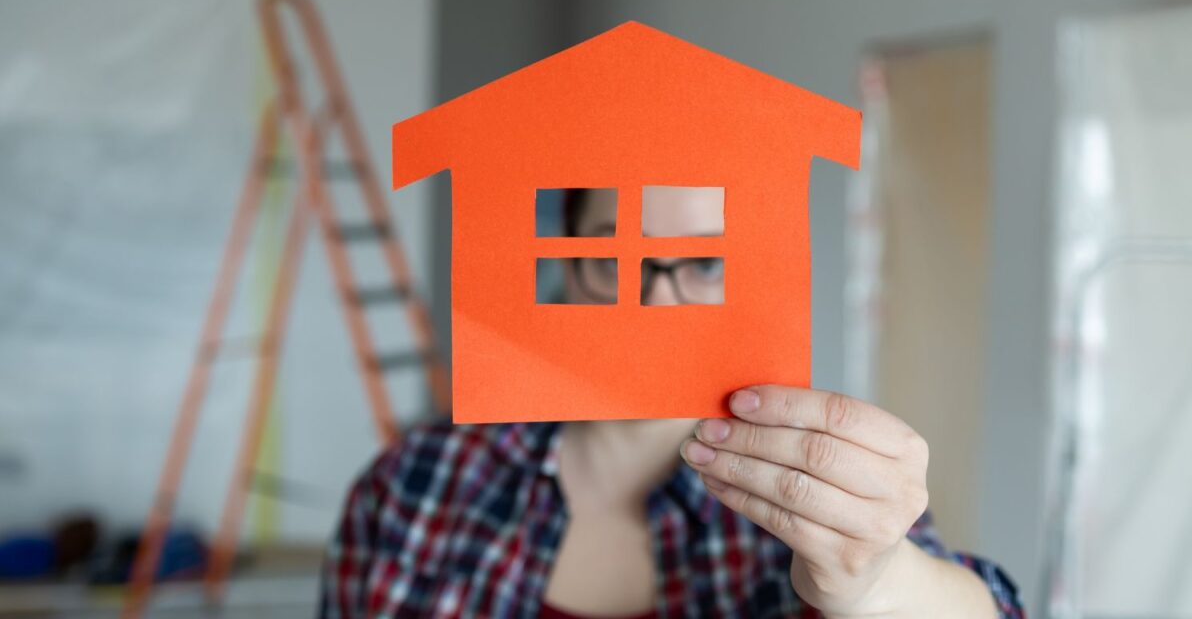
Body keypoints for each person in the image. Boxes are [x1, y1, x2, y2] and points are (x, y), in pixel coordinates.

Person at [320, 187, 1023, 617]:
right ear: (566, 263)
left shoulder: (809, 487)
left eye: (702, 261)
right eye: (612, 256)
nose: (655, 300)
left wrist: (877, 581)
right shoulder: (414, 484)